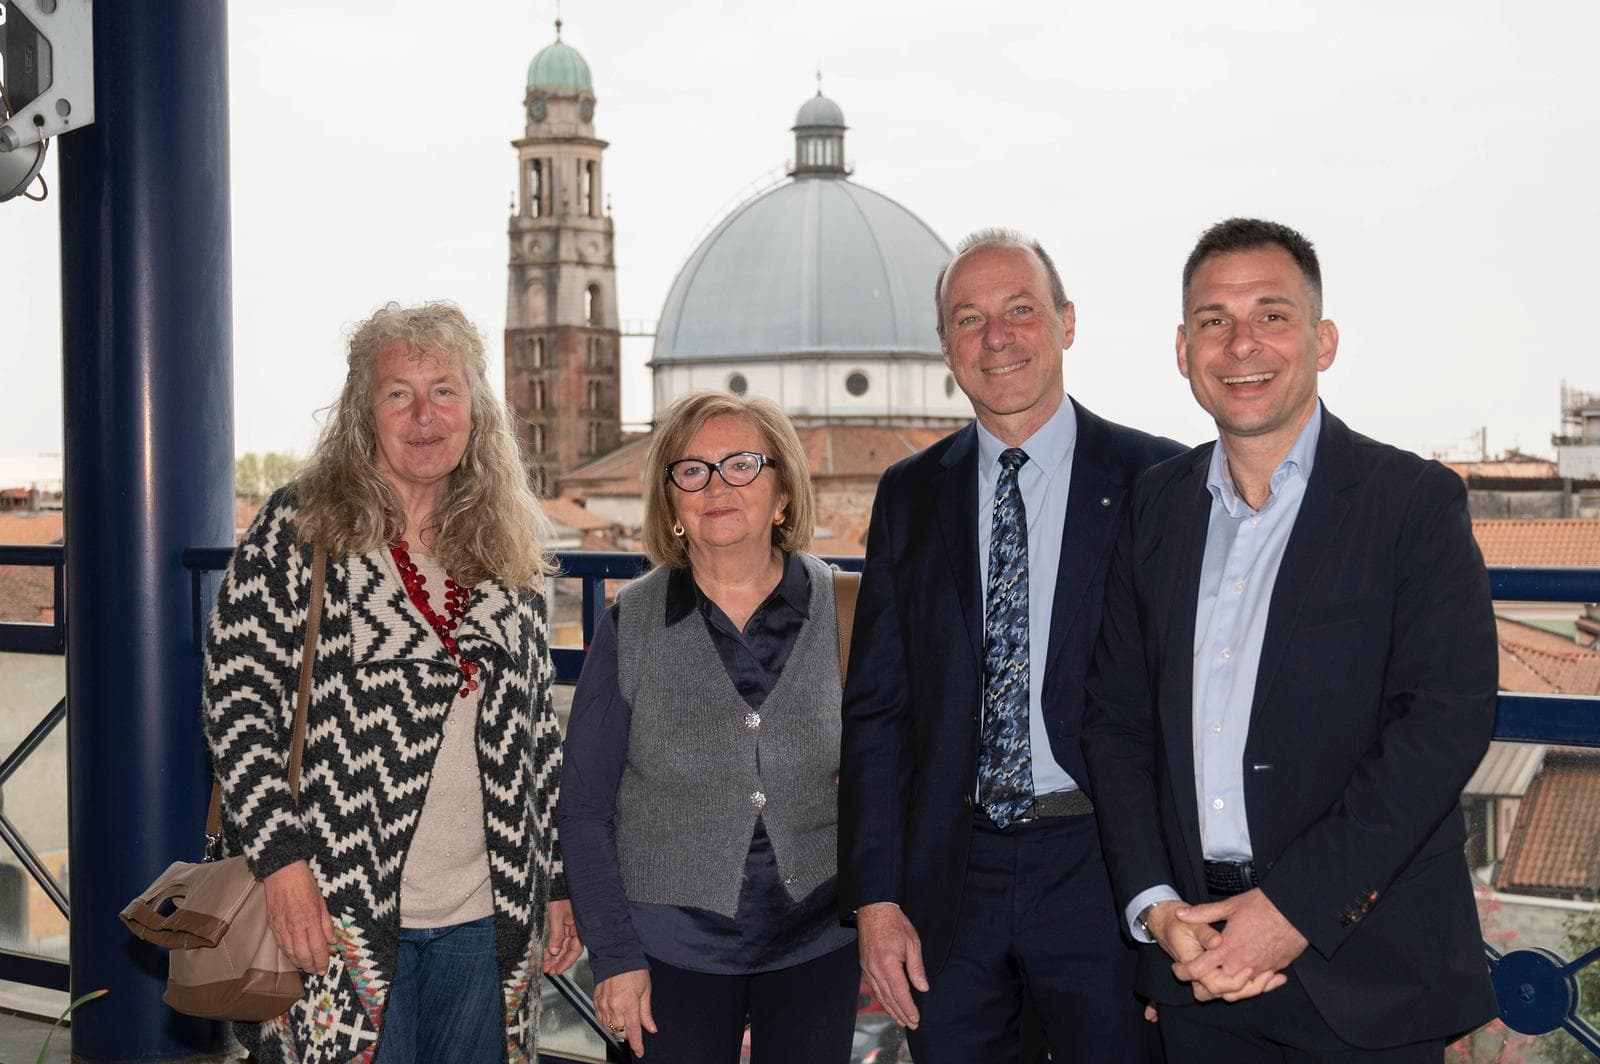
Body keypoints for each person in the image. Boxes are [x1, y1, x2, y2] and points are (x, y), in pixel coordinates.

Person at [1082, 217, 1498, 1061]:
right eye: (1212, 320)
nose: (1241, 345)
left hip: (1365, 969)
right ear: (1181, 347)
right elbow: (1114, 722)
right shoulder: (1154, 507)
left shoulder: (1411, 502)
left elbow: (1442, 725)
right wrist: (1158, 908)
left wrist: (1293, 912)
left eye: (1271, 314)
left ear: (1324, 340)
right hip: (1197, 962)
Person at [202, 301, 581, 1064]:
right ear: (361, 411)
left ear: (475, 408)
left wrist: (560, 879)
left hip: (488, 917)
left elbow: (540, 734)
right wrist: (282, 867)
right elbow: (237, 708)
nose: (424, 415)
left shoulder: (506, 545)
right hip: (336, 911)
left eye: (444, 390)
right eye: (398, 393)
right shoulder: (300, 528)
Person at [837, 229, 1182, 1063]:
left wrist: (1178, 905)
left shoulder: (1158, 480)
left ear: (1067, 322)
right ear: (947, 349)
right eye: (969, 319)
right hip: (951, 876)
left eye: (1020, 310)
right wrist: (877, 899)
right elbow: (877, 709)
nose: (997, 338)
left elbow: (1187, 706)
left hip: (1105, 867)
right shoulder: (911, 494)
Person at [557, 391, 860, 1063]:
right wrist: (613, 956)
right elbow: (582, 807)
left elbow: (893, 774)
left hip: (816, 944)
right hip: (667, 953)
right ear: (672, 503)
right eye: (692, 470)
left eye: (742, 464)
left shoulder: (843, 610)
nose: (717, 485)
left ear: (783, 492)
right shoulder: (631, 623)